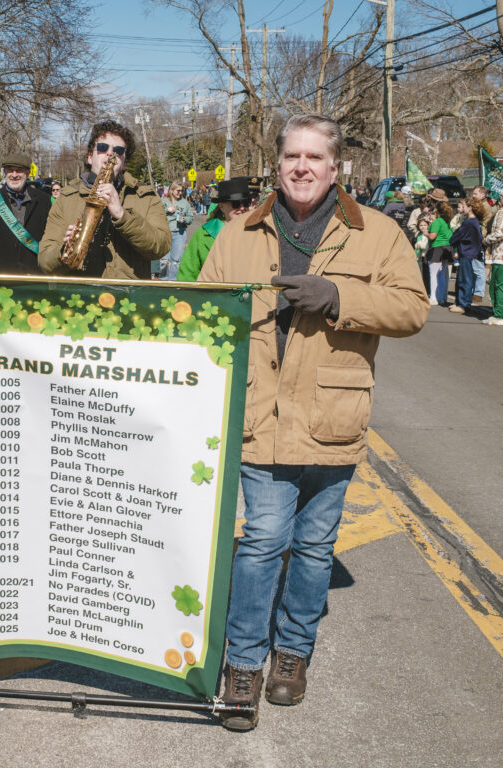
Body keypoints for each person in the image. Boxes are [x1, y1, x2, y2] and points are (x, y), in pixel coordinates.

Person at [198, 113, 427, 732]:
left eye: (315, 158)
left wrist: (342, 300)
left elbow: (412, 308)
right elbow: (201, 308)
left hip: (333, 414)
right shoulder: (237, 232)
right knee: (265, 540)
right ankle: (243, 664)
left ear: (335, 167)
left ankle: (293, 655)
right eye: (292, 156)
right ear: (277, 164)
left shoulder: (377, 233)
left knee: (315, 546)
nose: (302, 167)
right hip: (258, 412)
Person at [39, 120, 170, 279]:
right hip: (82, 297)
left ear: (124, 163)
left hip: (129, 298)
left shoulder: (146, 196)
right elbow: (44, 262)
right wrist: (64, 250)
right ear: (89, 157)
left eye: (118, 150)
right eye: (102, 147)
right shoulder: (66, 198)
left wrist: (122, 216)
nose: (110, 153)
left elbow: (161, 247)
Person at [0, 153, 50, 274]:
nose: (14, 175)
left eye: (19, 171)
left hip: (35, 276)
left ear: (28, 173)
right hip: (0, 275)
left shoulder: (44, 200)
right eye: (10, 170)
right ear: (5, 172)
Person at [176, 177, 252, 281]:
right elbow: (187, 273)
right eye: (236, 204)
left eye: (246, 203)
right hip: (211, 295)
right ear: (221, 206)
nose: (242, 208)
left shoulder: (259, 232)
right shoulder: (203, 234)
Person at [448, 197, 484, 315]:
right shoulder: (473, 221)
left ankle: (463, 304)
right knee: (461, 279)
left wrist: (453, 239)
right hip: (468, 252)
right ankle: (459, 302)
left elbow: (456, 236)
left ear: (470, 207)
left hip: (467, 253)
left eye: (464, 206)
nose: (462, 208)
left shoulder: (469, 222)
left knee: (465, 280)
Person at [426, 189, 455, 307]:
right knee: (443, 275)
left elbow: (432, 236)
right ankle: (442, 297)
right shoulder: (446, 221)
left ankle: (433, 297)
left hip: (437, 248)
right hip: (447, 248)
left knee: (433, 274)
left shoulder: (437, 221)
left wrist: (425, 233)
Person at [161, 182, 194, 279]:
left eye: (181, 191)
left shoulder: (184, 202)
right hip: (165, 233)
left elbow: (190, 217)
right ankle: (162, 281)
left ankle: (172, 282)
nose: (180, 193)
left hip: (180, 233)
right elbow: (156, 214)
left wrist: (185, 220)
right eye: (178, 191)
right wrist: (167, 210)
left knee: (176, 262)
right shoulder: (163, 201)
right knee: (163, 261)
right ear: (171, 191)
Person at [482, 197, 503, 326]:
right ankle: (497, 313)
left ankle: (499, 315)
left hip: (500, 256)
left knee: (498, 286)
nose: (500, 197)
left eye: (501, 195)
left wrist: (486, 240)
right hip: (497, 255)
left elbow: (500, 232)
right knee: (495, 285)